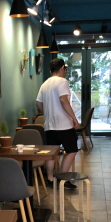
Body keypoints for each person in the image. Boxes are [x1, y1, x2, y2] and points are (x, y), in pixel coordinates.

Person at [36, 58, 80, 189]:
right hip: (64, 124)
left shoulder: (45, 84)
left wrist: (48, 113)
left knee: (51, 153)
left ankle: (50, 179)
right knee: (72, 150)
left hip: (49, 125)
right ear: (61, 68)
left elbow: (38, 103)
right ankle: (63, 179)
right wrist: (74, 118)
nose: (65, 71)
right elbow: (63, 100)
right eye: (65, 69)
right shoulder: (62, 81)